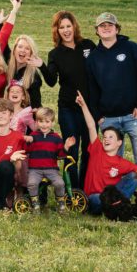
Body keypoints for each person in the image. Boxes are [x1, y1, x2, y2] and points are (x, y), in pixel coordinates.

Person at [85, 11, 137, 210]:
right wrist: (98, 116)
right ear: (97, 31)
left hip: (133, 115)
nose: (106, 28)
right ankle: (112, 202)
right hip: (109, 119)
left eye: (110, 25)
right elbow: (91, 89)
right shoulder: (93, 58)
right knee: (109, 165)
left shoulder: (132, 49)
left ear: (117, 28)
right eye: (102, 26)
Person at [76, 92, 137, 214]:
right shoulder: (97, 150)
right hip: (96, 199)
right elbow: (91, 126)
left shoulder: (120, 163)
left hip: (111, 198)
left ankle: (117, 206)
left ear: (119, 143)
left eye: (111, 137)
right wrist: (83, 105)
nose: (106, 139)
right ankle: (113, 208)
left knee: (134, 176)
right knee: (96, 198)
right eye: (105, 137)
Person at [33, 10, 96, 189]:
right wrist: (42, 66)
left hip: (90, 107)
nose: (66, 30)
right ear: (57, 30)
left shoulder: (88, 45)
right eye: (62, 27)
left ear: (74, 26)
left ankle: (87, 187)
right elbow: (52, 81)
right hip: (68, 107)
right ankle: (74, 191)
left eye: (69, 26)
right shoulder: (55, 54)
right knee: (72, 150)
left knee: (89, 151)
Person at [24, 107, 76, 213]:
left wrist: (66, 146)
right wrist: (27, 142)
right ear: (37, 122)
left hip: (51, 169)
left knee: (60, 183)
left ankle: (61, 203)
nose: (44, 124)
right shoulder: (33, 136)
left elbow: (60, 155)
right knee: (32, 183)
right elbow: (26, 150)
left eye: (47, 122)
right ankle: (35, 204)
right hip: (35, 169)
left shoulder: (56, 138)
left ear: (52, 122)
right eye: (41, 121)